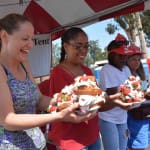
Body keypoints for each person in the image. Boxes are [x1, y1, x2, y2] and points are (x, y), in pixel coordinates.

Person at [0, 13, 96, 150]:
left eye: (32, 39)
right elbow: (8, 120)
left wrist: (69, 104)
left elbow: (39, 100)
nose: (31, 45)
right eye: (25, 39)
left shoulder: (24, 63)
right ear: (4, 36)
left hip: (38, 145)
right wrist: (59, 116)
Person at [47, 28, 132, 150]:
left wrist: (117, 100)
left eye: (86, 46)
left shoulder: (87, 71)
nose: (83, 51)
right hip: (71, 140)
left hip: (92, 135)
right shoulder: (58, 72)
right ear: (66, 46)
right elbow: (64, 108)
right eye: (78, 46)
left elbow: (98, 105)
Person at [98, 33, 131, 150]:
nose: (123, 58)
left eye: (125, 55)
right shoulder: (107, 69)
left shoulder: (126, 69)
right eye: (120, 55)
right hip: (108, 118)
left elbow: (132, 89)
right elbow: (112, 94)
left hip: (122, 118)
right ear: (111, 55)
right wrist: (130, 96)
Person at [126, 44, 150, 150]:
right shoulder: (125, 76)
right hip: (135, 116)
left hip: (145, 115)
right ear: (126, 60)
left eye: (138, 59)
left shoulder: (139, 75)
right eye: (133, 59)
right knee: (137, 146)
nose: (137, 62)